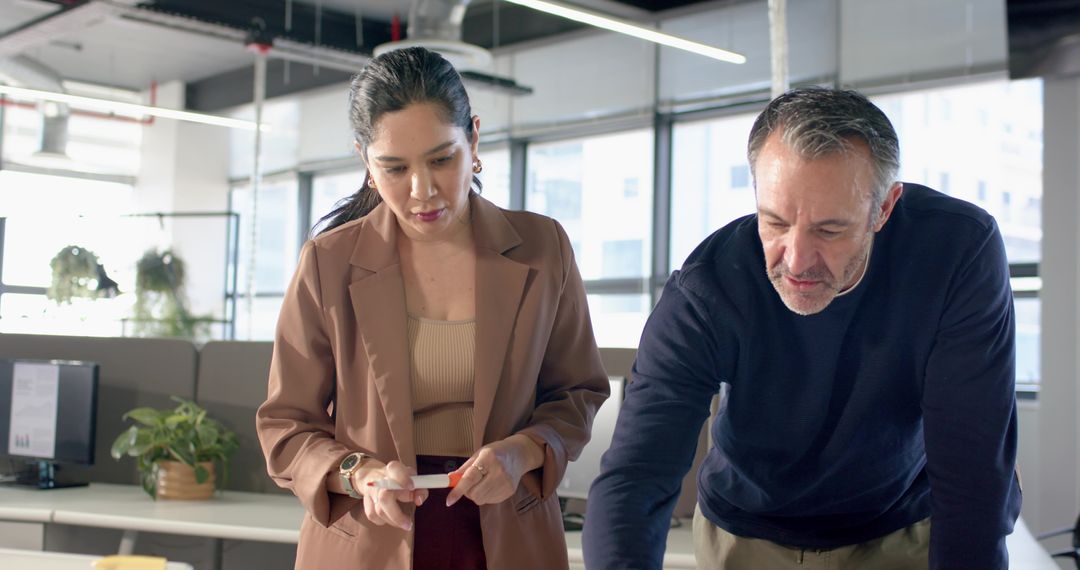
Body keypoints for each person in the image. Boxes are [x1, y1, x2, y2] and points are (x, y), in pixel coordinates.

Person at [583, 87, 1022, 569]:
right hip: (746, 530)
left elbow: (971, 467)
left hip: (899, 525)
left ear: (885, 208)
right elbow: (637, 475)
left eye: (829, 230)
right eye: (774, 222)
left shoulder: (957, 252)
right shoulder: (706, 291)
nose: (796, 260)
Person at [256, 47, 609, 570]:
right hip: (372, 537)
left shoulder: (543, 247)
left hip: (508, 531)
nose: (423, 191)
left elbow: (576, 393)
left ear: (474, 140)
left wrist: (522, 452)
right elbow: (286, 426)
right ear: (366, 163)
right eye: (394, 167)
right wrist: (358, 472)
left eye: (442, 158)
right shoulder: (328, 263)